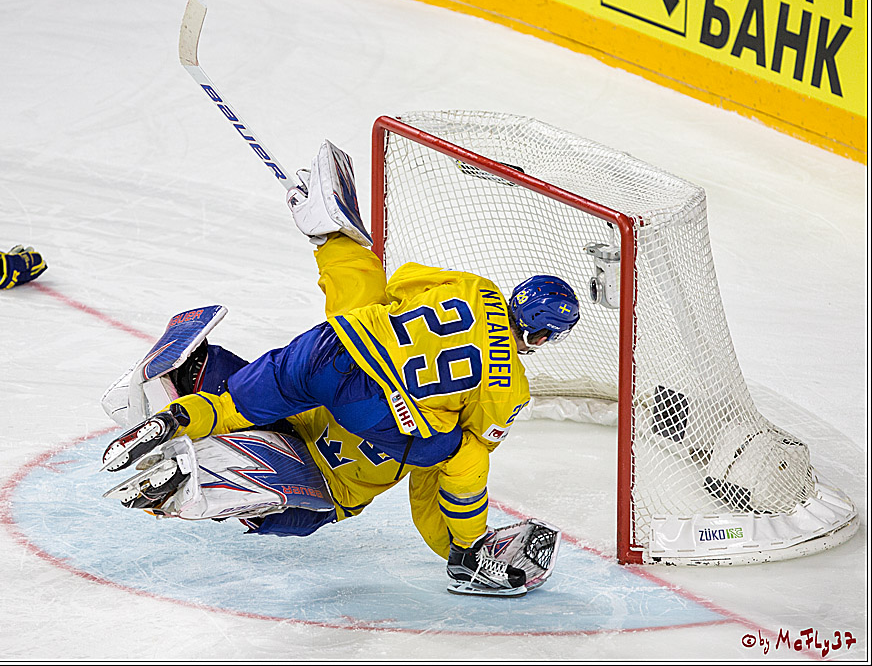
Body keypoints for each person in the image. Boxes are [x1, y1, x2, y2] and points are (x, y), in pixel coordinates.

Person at [101, 141, 579, 596]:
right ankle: (197, 483)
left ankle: (179, 410)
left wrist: (333, 242)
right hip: (363, 443)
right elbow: (454, 470)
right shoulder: (508, 388)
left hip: (331, 356)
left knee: (252, 388)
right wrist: (459, 545)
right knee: (452, 453)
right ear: (542, 336)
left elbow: (386, 288)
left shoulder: (474, 287)